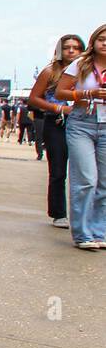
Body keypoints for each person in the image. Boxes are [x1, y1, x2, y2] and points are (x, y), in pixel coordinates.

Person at [54, 24, 106, 250]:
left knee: (104, 183)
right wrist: (87, 93)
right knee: (86, 179)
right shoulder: (81, 64)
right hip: (82, 123)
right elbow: (60, 92)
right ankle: (83, 234)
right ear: (94, 41)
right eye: (102, 39)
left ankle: (98, 231)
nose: (105, 43)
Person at [29, 34, 84, 229]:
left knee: (85, 173)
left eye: (76, 48)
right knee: (58, 170)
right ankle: (59, 212)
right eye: (67, 47)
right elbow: (34, 98)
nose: (71, 51)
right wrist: (57, 108)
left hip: (83, 123)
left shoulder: (88, 72)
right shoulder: (50, 72)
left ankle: (84, 215)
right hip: (57, 122)